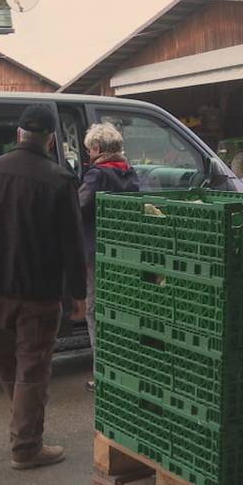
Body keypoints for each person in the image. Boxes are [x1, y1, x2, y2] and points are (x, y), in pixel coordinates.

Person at [0, 104, 88, 470]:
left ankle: (23, 424)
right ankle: (26, 446)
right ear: (51, 139)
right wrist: (78, 296)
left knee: (10, 367)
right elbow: (72, 245)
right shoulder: (59, 180)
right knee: (32, 370)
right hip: (38, 296)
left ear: (19, 134)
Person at [77, 123, 140, 392]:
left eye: (90, 148)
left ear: (98, 149)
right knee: (121, 308)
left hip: (98, 252)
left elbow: (78, 205)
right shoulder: (130, 173)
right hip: (126, 250)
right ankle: (127, 367)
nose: (88, 153)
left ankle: (102, 373)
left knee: (95, 310)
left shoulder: (96, 176)